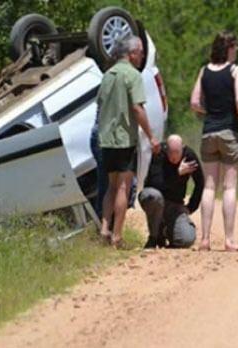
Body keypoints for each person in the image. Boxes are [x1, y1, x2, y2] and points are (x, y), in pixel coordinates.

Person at [96, 35, 160, 248]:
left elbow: (100, 105)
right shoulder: (132, 75)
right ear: (132, 53)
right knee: (123, 187)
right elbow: (137, 108)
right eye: (140, 52)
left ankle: (104, 230)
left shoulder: (107, 75)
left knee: (111, 187)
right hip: (124, 140)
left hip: (106, 139)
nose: (142, 56)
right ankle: (117, 237)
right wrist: (151, 135)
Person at [190, 30, 238, 252]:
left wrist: (208, 112)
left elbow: (194, 102)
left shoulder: (204, 71)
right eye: (235, 47)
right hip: (229, 131)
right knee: (229, 186)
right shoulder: (235, 71)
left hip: (209, 132)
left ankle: (204, 239)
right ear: (229, 49)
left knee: (209, 186)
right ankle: (229, 240)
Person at [139, 134, 204, 249]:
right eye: (170, 152)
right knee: (153, 196)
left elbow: (200, 183)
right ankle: (154, 237)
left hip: (175, 205)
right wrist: (177, 174)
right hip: (156, 200)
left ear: (182, 149)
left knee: (186, 239)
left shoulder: (189, 156)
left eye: (177, 153)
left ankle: (166, 230)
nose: (173, 157)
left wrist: (190, 207)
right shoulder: (159, 154)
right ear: (166, 149)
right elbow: (155, 183)